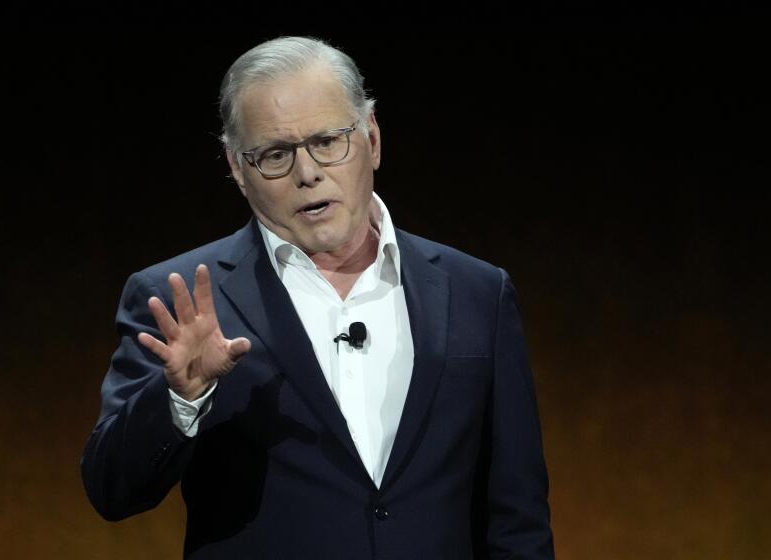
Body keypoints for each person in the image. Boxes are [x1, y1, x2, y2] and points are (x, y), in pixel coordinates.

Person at [81, 36, 554, 559]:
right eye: (276, 155)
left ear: (371, 138)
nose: (308, 173)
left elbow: (518, 521)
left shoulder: (478, 293)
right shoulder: (181, 300)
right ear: (238, 169)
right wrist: (180, 399)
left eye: (328, 141)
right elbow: (111, 490)